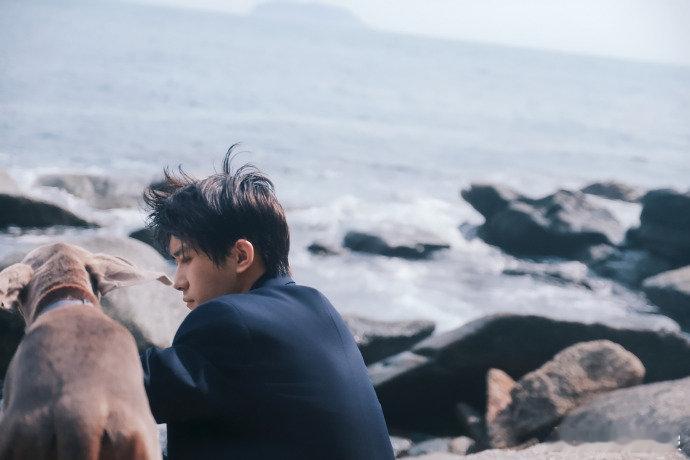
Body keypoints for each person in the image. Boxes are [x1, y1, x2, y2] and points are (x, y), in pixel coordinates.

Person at [140, 147, 395, 460]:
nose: (178, 281)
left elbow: (126, 387)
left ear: (241, 256)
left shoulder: (230, 320)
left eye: (186, 259)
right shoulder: (318, 307)